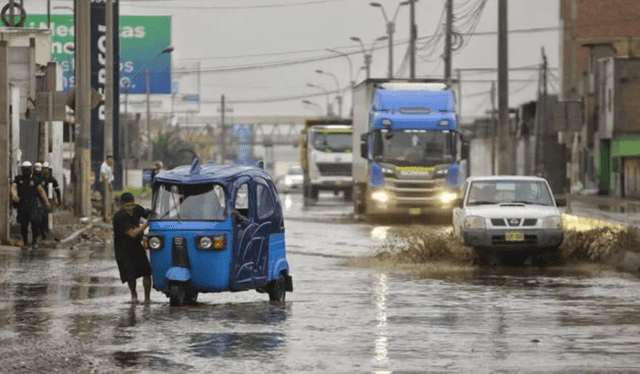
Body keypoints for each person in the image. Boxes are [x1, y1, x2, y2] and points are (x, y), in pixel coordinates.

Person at [112, 192, 152, 304]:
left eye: (132, 205)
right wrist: (146, 224)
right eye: (127, 206)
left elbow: (146, 213)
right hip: (123, 247)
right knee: (130, 275)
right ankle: (134, 295)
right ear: (121, 205)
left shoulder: (137, 209)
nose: (130, 208)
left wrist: (151, 214)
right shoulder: (118, 217)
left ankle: (147, 298)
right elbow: (132, 233)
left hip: (136, 244)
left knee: (146, 271)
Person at [11, 161, 51, 249]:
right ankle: (25, 242)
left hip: (32, 204)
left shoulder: (34, 179)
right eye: (24, 169)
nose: (26, 171)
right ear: (22, 169)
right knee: (23, 224)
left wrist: (46, 202)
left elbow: (41, 191)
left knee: (34, 221)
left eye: (28, 169)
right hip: (22, 203)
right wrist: (15, 195)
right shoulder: (18, 179)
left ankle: (34, 241)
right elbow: (13, 187)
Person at [39, 162, 61, 239]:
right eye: (44, 169)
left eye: (47, 169)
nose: (45, 170)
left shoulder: (52, 179)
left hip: (49, 200)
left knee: (47, 216)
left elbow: (57, 189)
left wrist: (58, 200)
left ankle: (46, 231)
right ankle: (42, 231)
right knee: (41, 216)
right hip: (40, 200)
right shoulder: (40, 178)